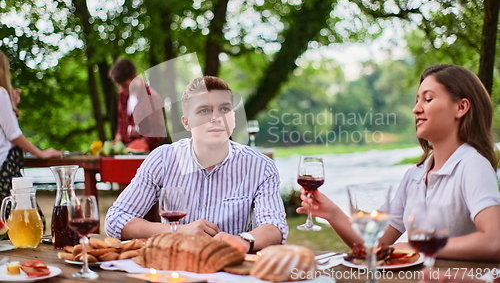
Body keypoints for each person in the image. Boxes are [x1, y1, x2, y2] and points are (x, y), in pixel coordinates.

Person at [298, 64, 500, 262]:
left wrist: (419, 245)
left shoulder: (472, 165)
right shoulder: (415, 176)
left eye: (428, 99)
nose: (415, 109)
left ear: (461, 107)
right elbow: (376, 246)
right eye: (417, 100)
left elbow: (494, 242)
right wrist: (332, 213)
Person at [105, 76, 287, 252]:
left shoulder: (260, 166)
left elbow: (275, 227)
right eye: (204, 111)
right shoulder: (162, 159)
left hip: (230, 269)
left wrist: (244, 241)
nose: (216, 118)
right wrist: (177, 232)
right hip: (173, 270)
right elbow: (115, 220)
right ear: (186, 122)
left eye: (224, 109)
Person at [0, 51, 61, 215]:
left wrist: (11, 106)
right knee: (30, 223)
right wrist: (40, 153)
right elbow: (13, 135)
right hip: (4, 170)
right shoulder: (1, 93)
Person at [108, 58, 164, 152]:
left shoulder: (152, 98)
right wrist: (118, 138)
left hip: (147, 156)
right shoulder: (122, 96)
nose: (121, 89)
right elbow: (121, 123)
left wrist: (142, 143)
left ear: (135, 77)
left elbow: (158, 131)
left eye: (125, 85)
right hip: (124, 155)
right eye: (119, 86)